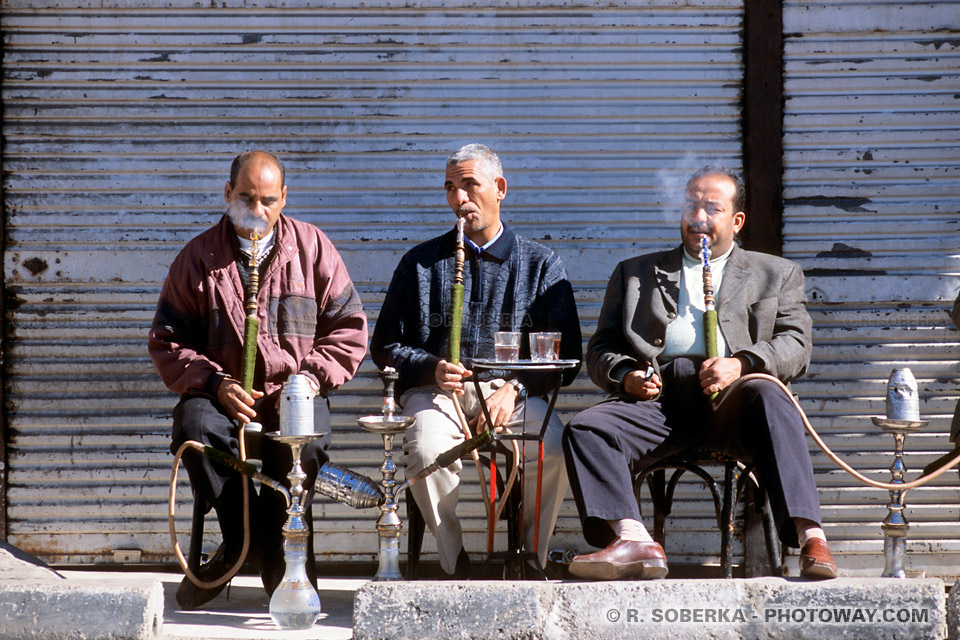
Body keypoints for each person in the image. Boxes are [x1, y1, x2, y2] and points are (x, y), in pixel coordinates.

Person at [562, 165, 838, 581]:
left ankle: (811, 536)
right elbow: (600, 350)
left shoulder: (775, 274)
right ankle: (632, 538)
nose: (699, 217)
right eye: (692, 205)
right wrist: (625, 377)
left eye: (713, 208)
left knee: (773, 396)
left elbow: (796, 347)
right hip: (660, 402)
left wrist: (741, 363)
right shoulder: (634, 272)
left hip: (736, 402)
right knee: (586, 427)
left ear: (737, 220)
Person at [148, 150, 367, 608]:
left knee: (305, 442)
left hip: (295, 390)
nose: (257, 209)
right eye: (246, 197)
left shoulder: (313, 248)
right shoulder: (197, 258)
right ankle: (251, 542)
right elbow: (168, 341)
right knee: (193, 428)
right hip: (225, 395)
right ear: (228, 194)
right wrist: (214, 383)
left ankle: (249, 552)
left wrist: (309, 377)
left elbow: (349, 329)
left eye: (268, 199)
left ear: (284, 198)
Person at [370, 143, 582, 576]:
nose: (458, 198)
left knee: (554, 446)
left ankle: (528, 557)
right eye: (450, 188)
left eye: (469, 185)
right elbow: (385, 346)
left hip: (512, 392)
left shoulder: (541, 264)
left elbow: (568, 355)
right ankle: (454, 563)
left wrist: (516, 386)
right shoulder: (420, 263)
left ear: (499, 188)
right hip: (437, 392)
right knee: (426, 447)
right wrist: (431, 368)